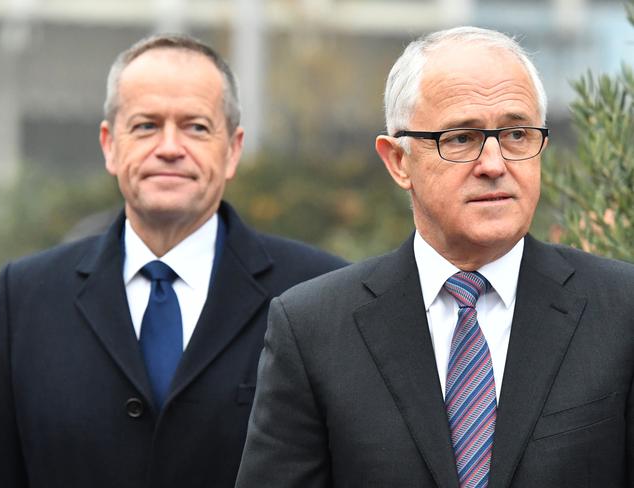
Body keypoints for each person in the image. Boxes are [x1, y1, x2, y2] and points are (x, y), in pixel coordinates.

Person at [235, 26, 634, 488]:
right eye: (461, 138)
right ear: (398, 161)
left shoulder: (620, 309)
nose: (494, 163)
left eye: (517, 134)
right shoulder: (313, 328)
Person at [0, 34, 346, 488]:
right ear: (109, 145)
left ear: (232, 149)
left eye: (195, 126)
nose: (170, 147)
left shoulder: (318, 291)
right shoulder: (28, 295)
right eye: (145, 126)